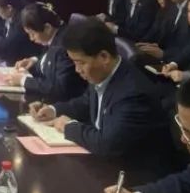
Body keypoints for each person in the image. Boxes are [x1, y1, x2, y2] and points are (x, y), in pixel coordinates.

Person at [30, 20, 176, 170]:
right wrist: (53, 109)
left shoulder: (133, 94)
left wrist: (69, 127)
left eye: (80, 63)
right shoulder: (103, 73)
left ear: (104, 57)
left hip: (132, 171)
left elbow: (108, 144)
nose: (77, 70)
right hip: (105, 162)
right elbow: (86, 102)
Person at [11, 3, 82, 104]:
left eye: (33, 34)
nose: (31, 39)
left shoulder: (64, 45)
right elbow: (48, 58)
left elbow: (60, 87)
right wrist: (34, 61)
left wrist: (24, 80)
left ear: (47, 27)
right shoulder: (53, 36)